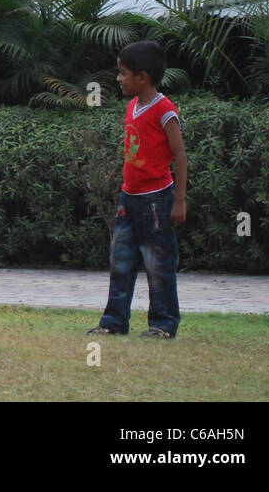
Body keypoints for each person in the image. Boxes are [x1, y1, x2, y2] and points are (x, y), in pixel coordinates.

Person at [89, 40, 188, 339]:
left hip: (156, 199)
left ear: (142, 77)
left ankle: (163, 324)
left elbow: (180, 155)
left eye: (122, 73)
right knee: (121, 258)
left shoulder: (164, 110)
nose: (118, 79)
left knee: (158, 262)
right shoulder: (132, 106)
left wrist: (179, 200)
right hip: (128, 196)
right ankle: (114, 321)